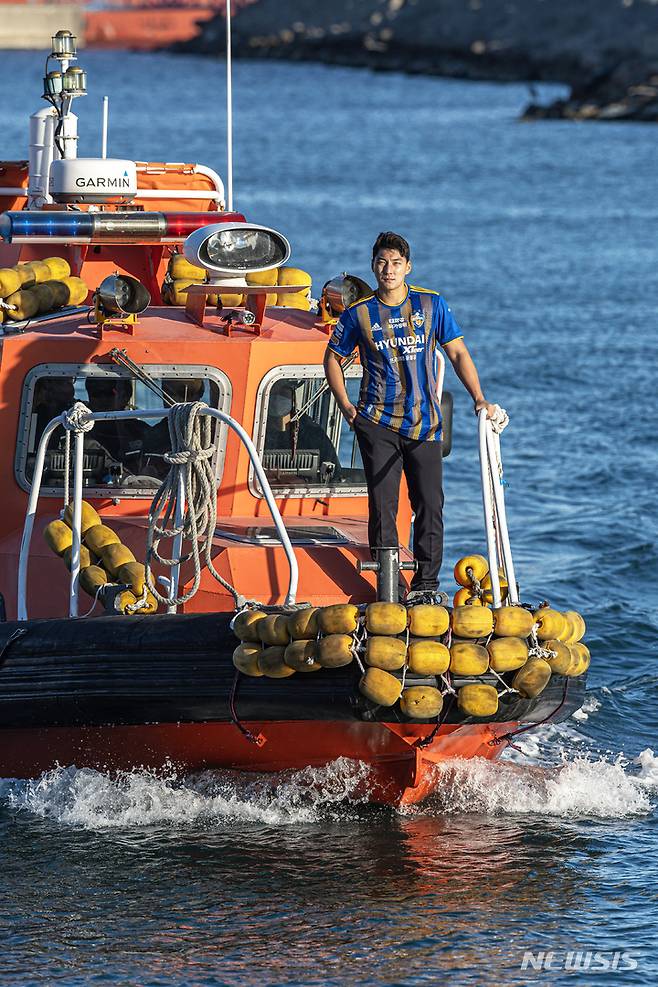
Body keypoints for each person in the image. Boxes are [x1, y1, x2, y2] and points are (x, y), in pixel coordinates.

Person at [323, 231, 496, 601]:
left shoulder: (432, 305)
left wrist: (479, 398)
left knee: (430, 504)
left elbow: (459, 355)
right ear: (373, 266)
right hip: (376, 422)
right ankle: (387, 588)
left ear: (408, 267)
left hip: (425, 423)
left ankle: (425, 587)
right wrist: (347, 407)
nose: (389, 270)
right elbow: (332, 358)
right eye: (382, 263)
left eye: (396, 263)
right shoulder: (359, 314)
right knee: (383, 506)